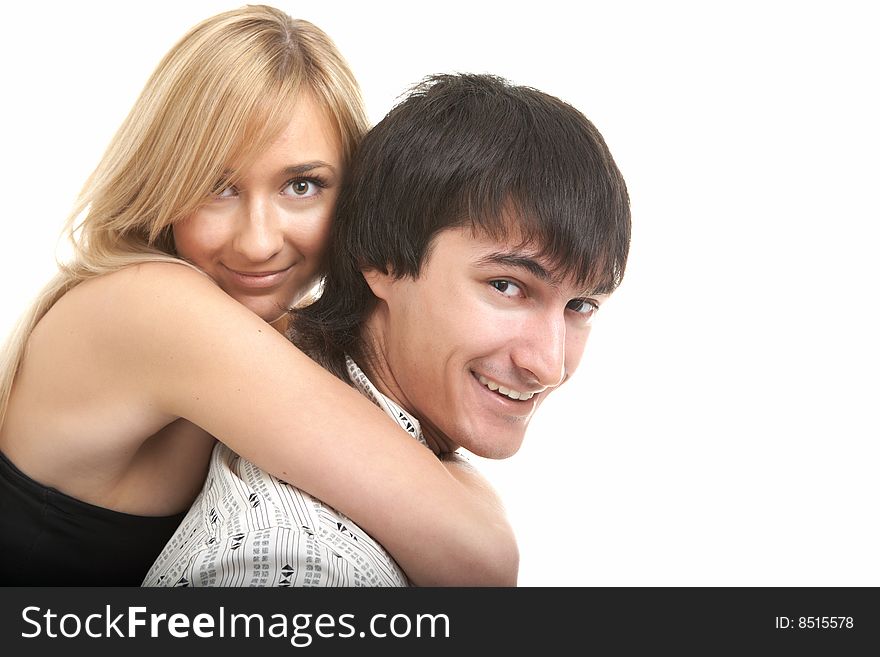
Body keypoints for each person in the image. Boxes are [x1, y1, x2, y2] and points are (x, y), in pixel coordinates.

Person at [0, 6, 517, 586]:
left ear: (352, 195)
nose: (258, 242)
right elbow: (479, 560)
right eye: (217, 187)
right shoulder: (154, 306)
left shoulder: (263, 333)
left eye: (302, 185)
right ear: (162, 186)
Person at [143, 73, 631, 586]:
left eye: (580, 304)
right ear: (382, 260)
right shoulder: (307, 566)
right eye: (507, 287)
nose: (548, 365)